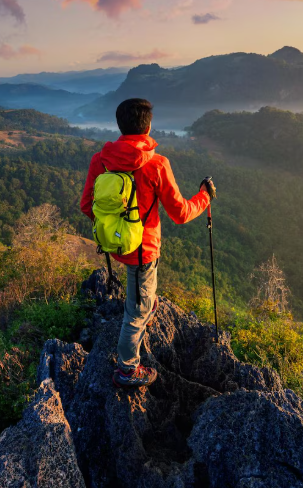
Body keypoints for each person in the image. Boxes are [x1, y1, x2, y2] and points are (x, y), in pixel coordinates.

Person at [80, 98, 216, 388]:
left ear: (120, 125)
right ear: (148, 126)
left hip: (117, 245)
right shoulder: (157, 164)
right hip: (144, 251)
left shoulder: (101, 160)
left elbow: (86, 205)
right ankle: (127, 370)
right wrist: (204, 197)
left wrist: (115, 227)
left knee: (140, 294)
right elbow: (179, 213)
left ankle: (146, 305)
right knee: (135, 313)